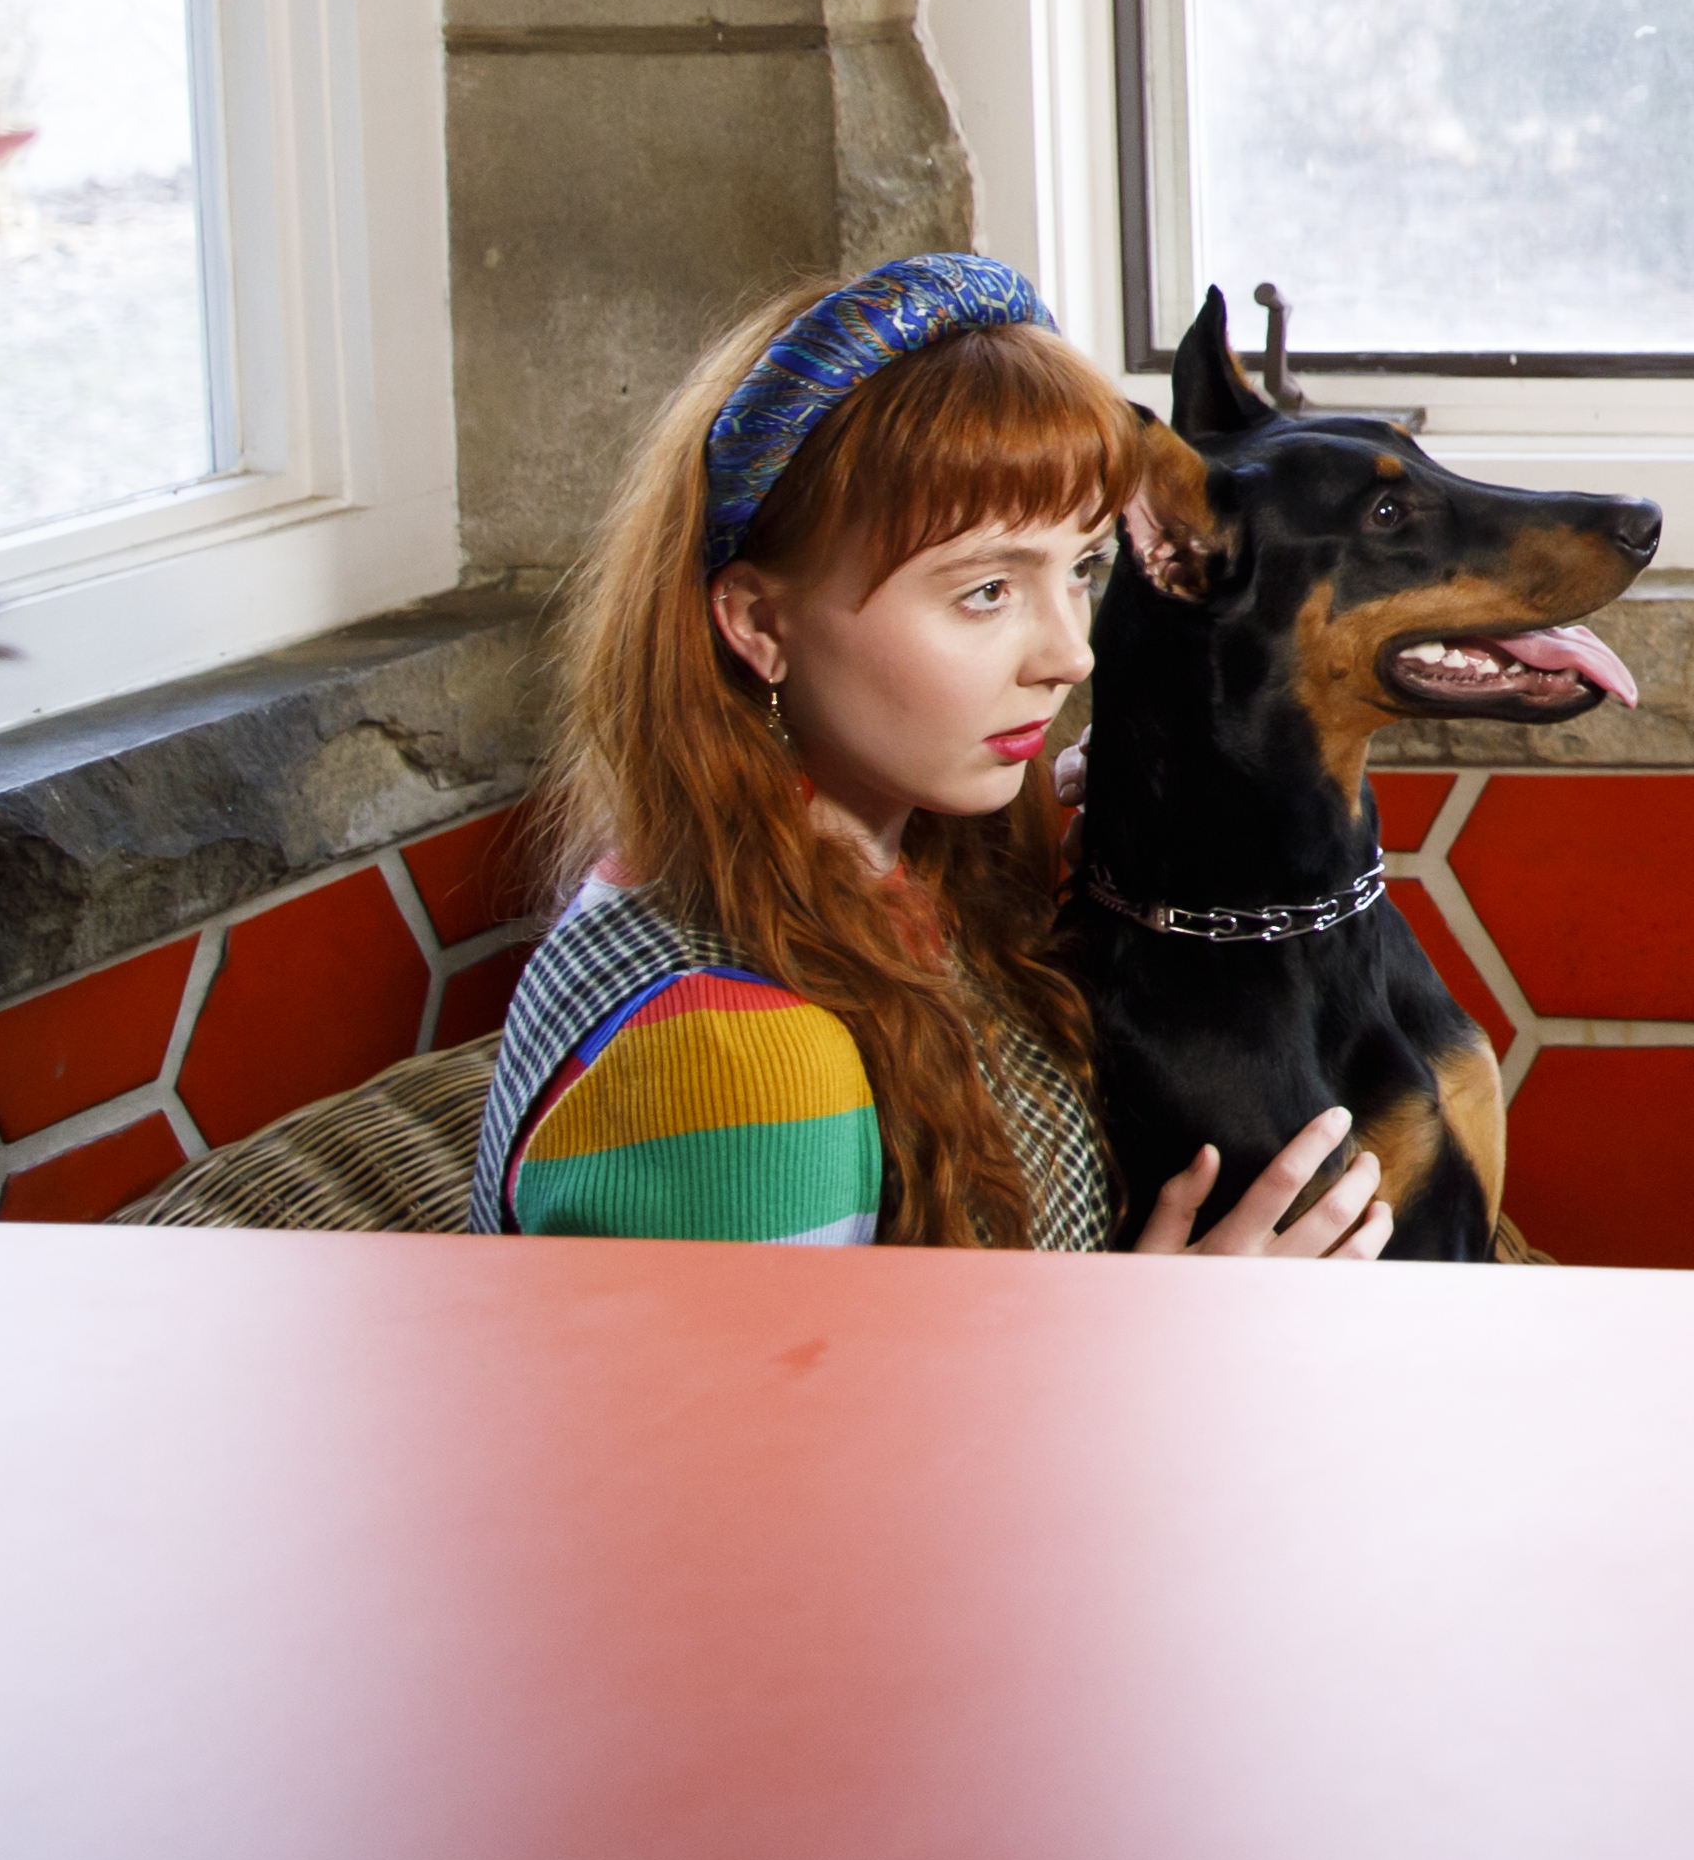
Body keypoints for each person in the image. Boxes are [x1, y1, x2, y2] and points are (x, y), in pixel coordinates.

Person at [472, 251, 1394, 1261]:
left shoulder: (862, 873)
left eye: (1082, 568)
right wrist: (1160, 1344)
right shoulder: (735, 1057)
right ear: (757, 622)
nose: (1068, 654)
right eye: (985, 591)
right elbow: (766, 1427)